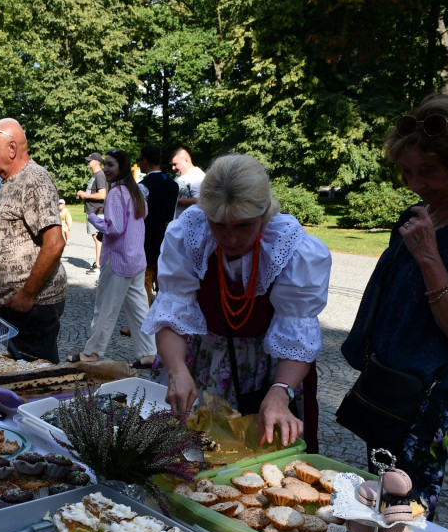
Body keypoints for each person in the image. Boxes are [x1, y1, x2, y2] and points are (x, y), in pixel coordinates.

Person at [341, 94, 448, 519]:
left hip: (430, 396)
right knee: (377, 491)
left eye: (429, 171)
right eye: (407, 171)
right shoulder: (419, 212)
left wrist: (429, 256)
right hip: (388, 381)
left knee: (407, 505)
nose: (416, 183)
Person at [144, 154, 331, 447]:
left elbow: (297, 334)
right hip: (203, 359)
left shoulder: (291, 248)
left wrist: (281, 390)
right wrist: (177, 370)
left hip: (271, 368)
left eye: (243, 226)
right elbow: (172, 312)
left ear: (263, 214)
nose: (230, 238)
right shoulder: (189, 235)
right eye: (219, 225)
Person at [0, 118, 66, 363]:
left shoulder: (34, 178)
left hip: (35, 306)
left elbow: (54, 242)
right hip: (16, 306)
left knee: (38, 380)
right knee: (20, 376)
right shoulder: (9, 181)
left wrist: (27, 295)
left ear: (12, 148)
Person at [70, 149, 155, 368]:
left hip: (118, 260)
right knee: (139, 309)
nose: (106, 169)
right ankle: (149, 353)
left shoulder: (117, 193)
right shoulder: (135, 192)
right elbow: (138, 219)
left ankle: (92, 353)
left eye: (110, 165)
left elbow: (115, 228)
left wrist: (93, 217)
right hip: (136, 259)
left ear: (121, 167)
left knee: (105, 308)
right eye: (105, 164)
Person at [137, 143, 179, 305]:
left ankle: (144, 321)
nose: (139, 163)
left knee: (145, 280)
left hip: (147, 238)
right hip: (166, 236)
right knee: (163, 280)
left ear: (146, 161)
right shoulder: (173, 184)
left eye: (139, 159)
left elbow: (138, 215)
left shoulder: (143, 186)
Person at [77, 151, 107, 273]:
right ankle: (100, 262)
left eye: (90, 160)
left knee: (98, 237)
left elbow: (102, 194)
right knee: (97, 237)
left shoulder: (100, 175)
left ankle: (99, 264)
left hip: (97, 211)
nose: (88, 162)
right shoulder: (96, 175)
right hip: (94, 211)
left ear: (96, 162)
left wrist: (85, 195)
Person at [171, 147, 205, 220]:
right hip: (178, 224)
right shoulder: (178, 176)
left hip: (191, 225)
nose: (173, 168)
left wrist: (175, 201)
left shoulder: (197, 176)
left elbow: (201, 200)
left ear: (185, 160)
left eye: (175, 164)